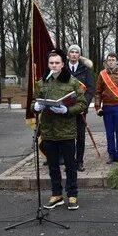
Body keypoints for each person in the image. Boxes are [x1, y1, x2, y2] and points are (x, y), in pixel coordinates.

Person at [32, 49, 87, 210]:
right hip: (48, 131)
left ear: (63, 64)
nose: (54, 65)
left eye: (57, 63)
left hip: (66, 131)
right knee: (53, 166)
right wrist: (35, 106)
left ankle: (72, 195)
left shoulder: (72, 82)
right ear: (48, 65)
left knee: (70, 165)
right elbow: (33, 102)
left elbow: (82, 104)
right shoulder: (42, 83)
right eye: (51, 63)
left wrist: (67, 111)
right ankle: (56, 194)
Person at [94, 53, 118, 163]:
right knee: (109, 132)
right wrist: (98, 107)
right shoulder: (102, 74)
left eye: (113, 60)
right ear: (106, 62)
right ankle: (111, 154)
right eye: (109, 60)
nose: (111, 61)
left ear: (116, 61)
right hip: (106, 107)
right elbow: (98, 93)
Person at [67, 44, 94, 172]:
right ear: (68, 54)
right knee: (68, 137)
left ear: (79, 55)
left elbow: (90, 89)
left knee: (80, 137)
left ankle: (79, 162)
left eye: (76, 52)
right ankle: (70, 162)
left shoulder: (85, 69)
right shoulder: (63, 69)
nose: (73, 54)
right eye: (71, 52)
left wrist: (84, 105)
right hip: (66, 110)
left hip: (81, 109)